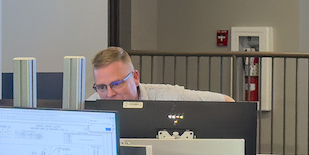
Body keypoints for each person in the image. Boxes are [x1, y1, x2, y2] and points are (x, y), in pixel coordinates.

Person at [91, 45, 233, 102]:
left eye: (116, 84)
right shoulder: (90, 105)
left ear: (135, 78)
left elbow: (227, 102)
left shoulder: (168, 96)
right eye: (102, 87)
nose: (109, 94)